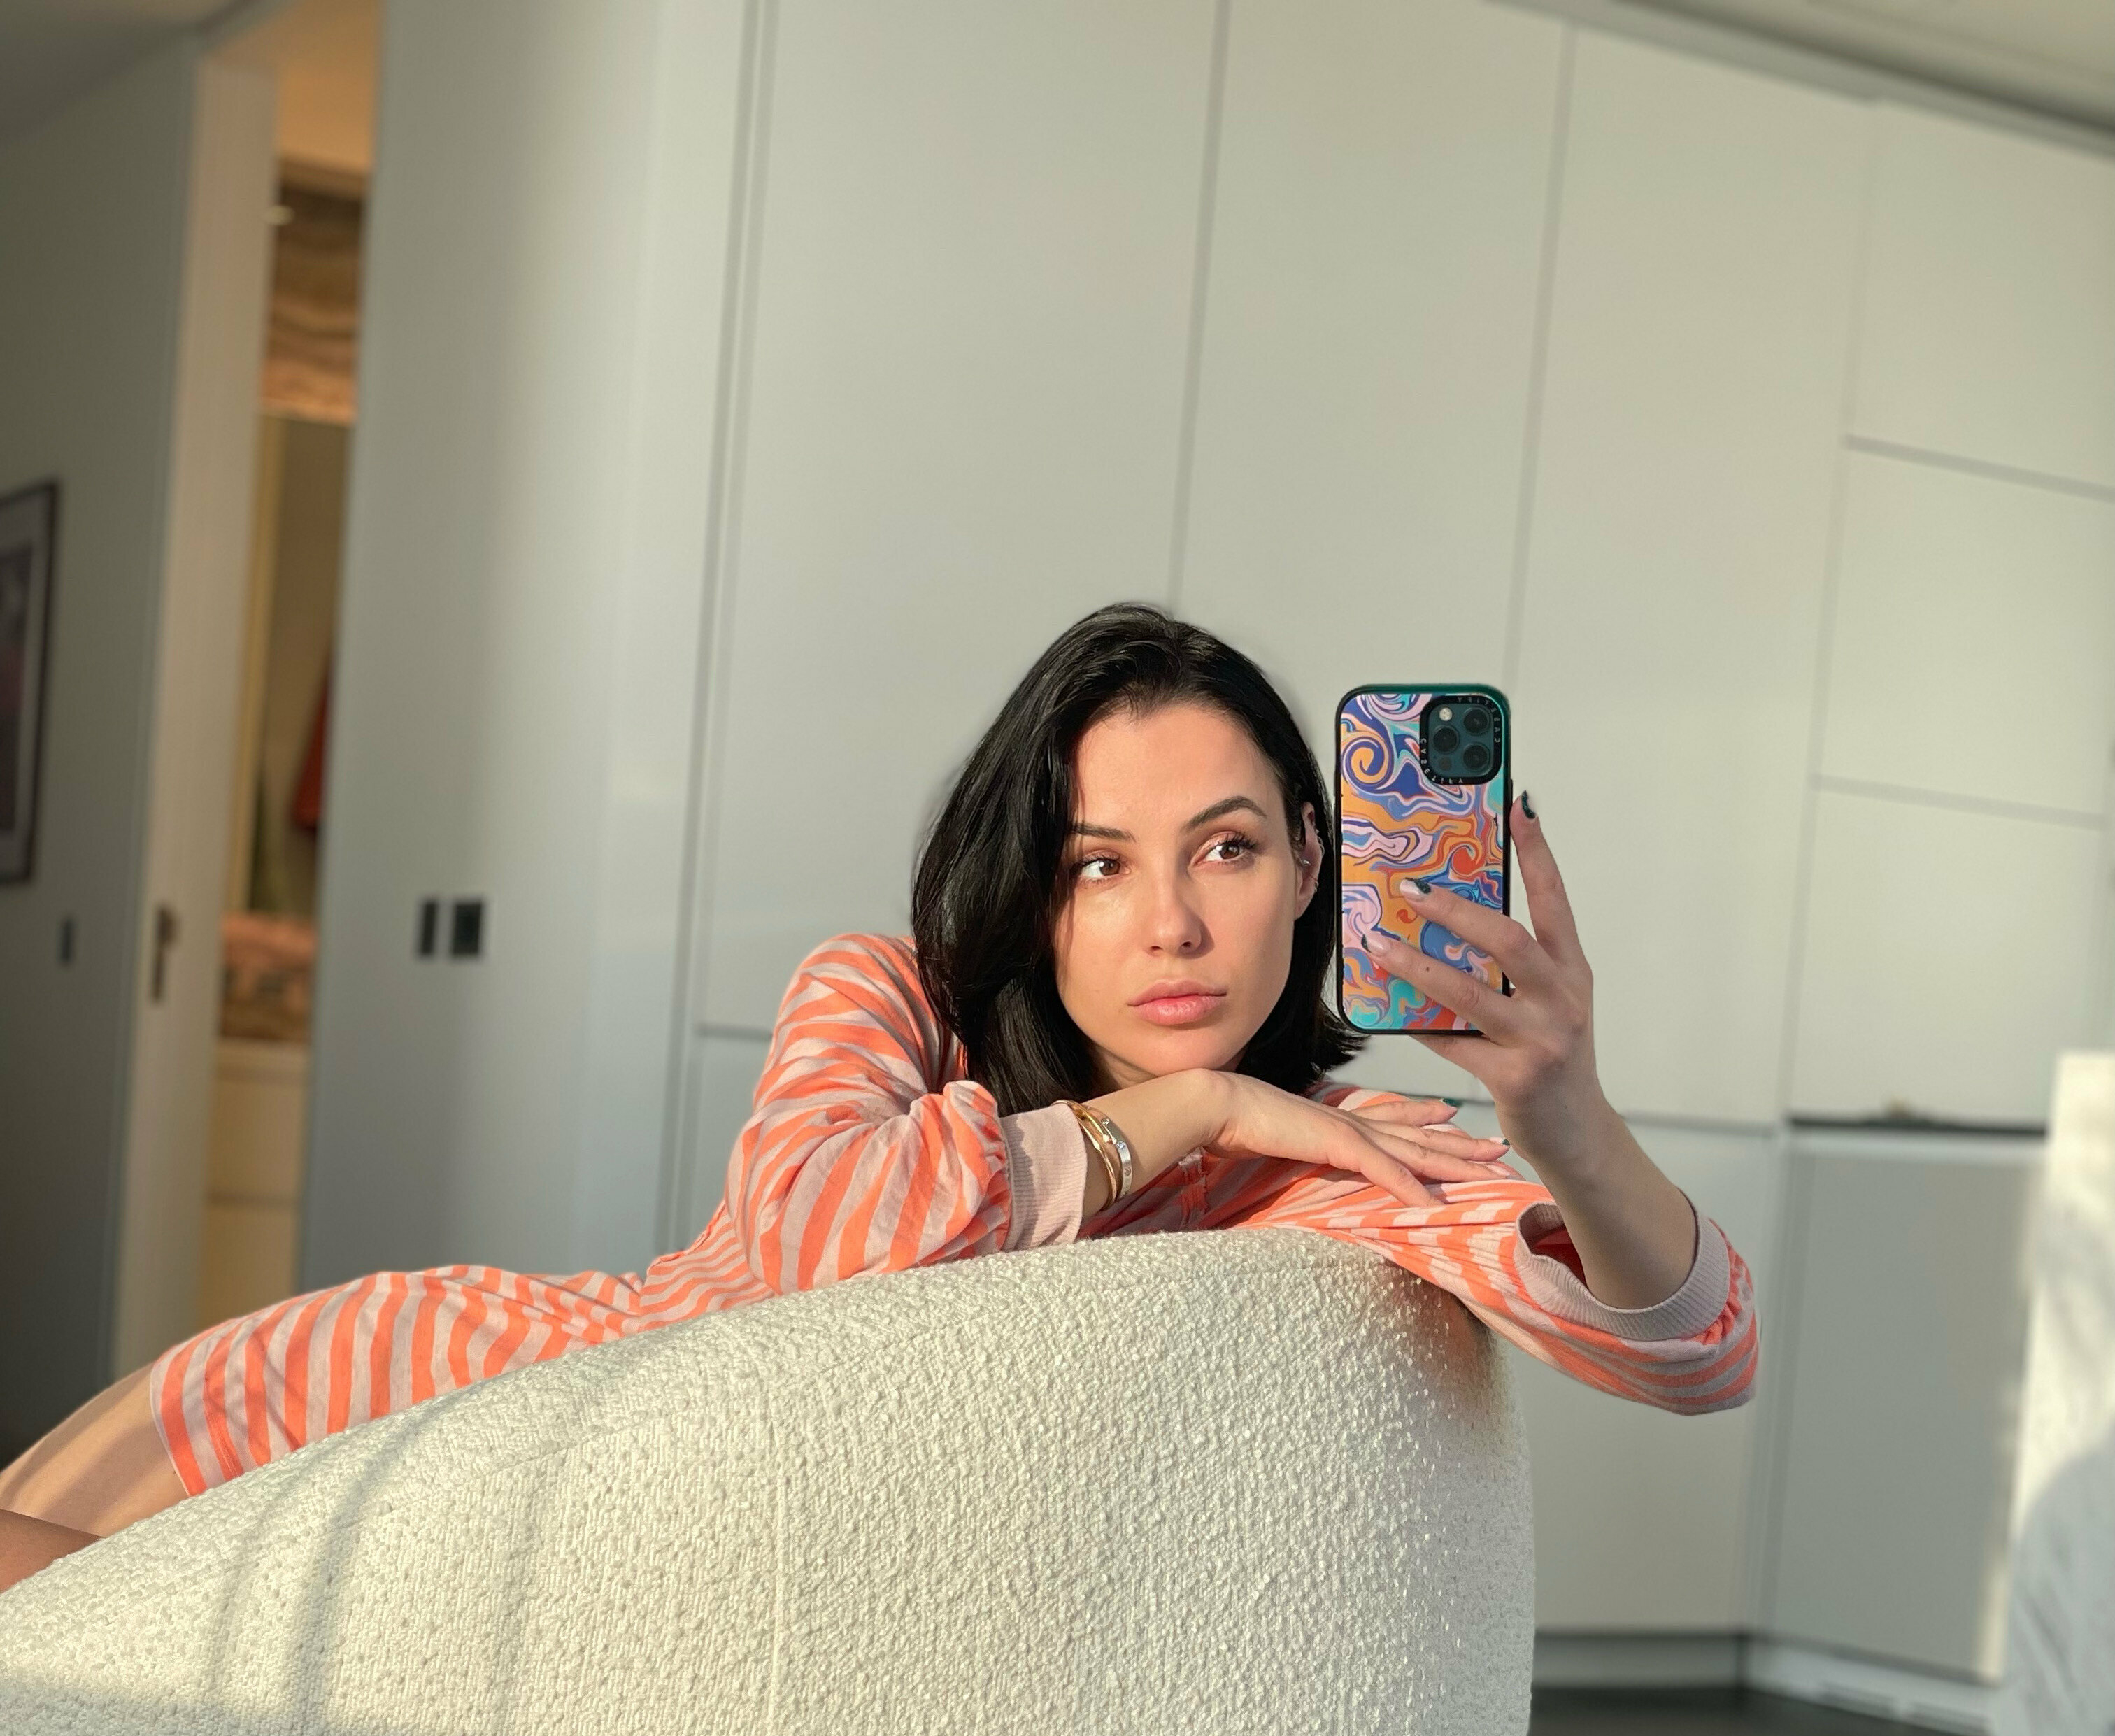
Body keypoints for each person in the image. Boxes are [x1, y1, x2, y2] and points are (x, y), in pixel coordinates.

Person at [0, 604, 1754, 1599]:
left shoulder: (1323, 1169)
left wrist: (1566, 1118)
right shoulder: (892, 995)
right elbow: (812, 1247)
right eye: (1096, 864)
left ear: (1313, 859)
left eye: (1224, 848)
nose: (1168, 923)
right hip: (420, 1388)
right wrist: (1193, 1110)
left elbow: (1695, 1355)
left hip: (583, 1544)